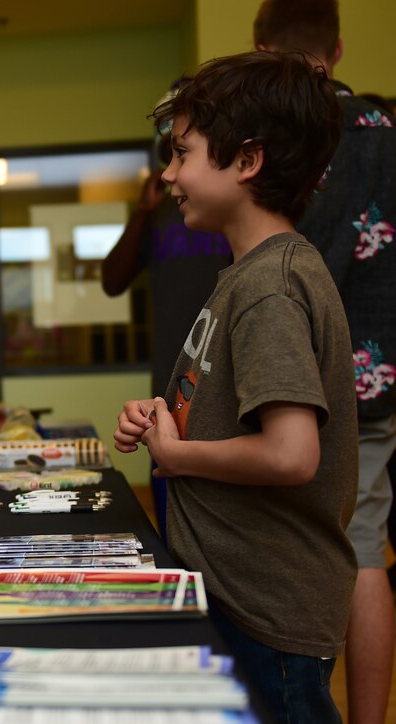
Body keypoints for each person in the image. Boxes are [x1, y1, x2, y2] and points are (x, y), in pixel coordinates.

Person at [114, 51, 355, 722]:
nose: (169, 174)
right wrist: (167, 417)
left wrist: (178, 455)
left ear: (246, 161)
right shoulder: (246, 277)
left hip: (266, 610)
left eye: (182, 154)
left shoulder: (268, 289)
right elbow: (234, 411)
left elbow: (289, 454)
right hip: (239, 595)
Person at [254, 3, 396, 722]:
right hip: (373, 369)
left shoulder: (269, 129)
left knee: (288, 552)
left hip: (284, 370)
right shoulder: (383, 131)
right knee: (365, 551)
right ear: (338, 48)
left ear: (259, 46)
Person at [101, 90, 231, 538]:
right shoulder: (161, 208)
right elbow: (112, 281)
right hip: (171, 392)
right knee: (175, 531)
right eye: (170, 149)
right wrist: (141, 212)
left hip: (230, 388)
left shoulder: (230, 210)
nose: (173, 169)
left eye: (183, 150)